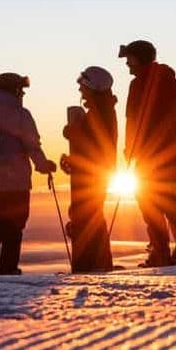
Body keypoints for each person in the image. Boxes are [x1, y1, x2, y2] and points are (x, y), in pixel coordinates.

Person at [0, 73, 57, 275]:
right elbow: (32, 146)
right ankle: (8, 268)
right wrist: (44, 166)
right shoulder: (23, 116)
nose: (23, 93)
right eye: (21, 90)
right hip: (18, 183)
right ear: (15, 91)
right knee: (14, 226)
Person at [119, 40, 176, 266]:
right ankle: (166, 250)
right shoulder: (141, 85)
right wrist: (130, 148)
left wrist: (156, 143)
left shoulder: (164, 83)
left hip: (158, 154)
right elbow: (132, 121)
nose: (127, 64)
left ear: (139, 58)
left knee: (160, 199)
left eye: (129, 59)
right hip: (151, 154)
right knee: (151, 200)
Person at [60, 66, 118, 272]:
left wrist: (74, 134)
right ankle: (97, 263)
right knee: (89, 215)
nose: (80, 91)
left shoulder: (99, 114)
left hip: (93, 175)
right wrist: (74, 161)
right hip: (96, 173)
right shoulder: (100, 111)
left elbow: (96, 147)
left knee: (87, 217)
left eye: (83, 86)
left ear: (92, 87)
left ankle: (89, 265)